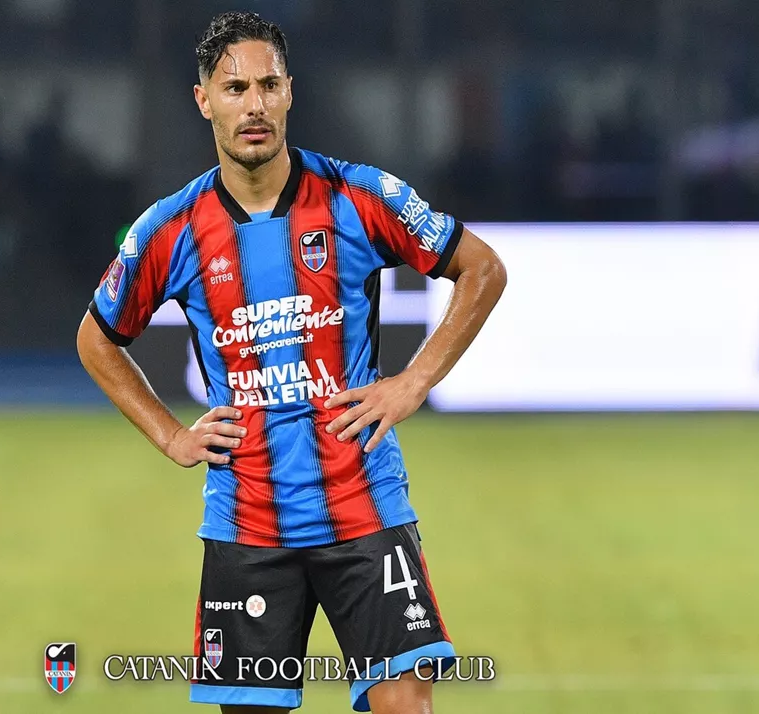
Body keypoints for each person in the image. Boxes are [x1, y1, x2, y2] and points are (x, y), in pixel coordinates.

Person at [77, 11, 506, 714]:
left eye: (268, 85)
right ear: (203, 100)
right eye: (236, 87)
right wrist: (171, 434)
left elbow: (482, 269)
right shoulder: (172, 228)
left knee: (406, 706)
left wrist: (411, 383)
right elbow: (97, 338)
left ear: (289, 93)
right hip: (247, 527)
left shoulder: (359, 198)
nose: (254, 104)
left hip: (365, 510)